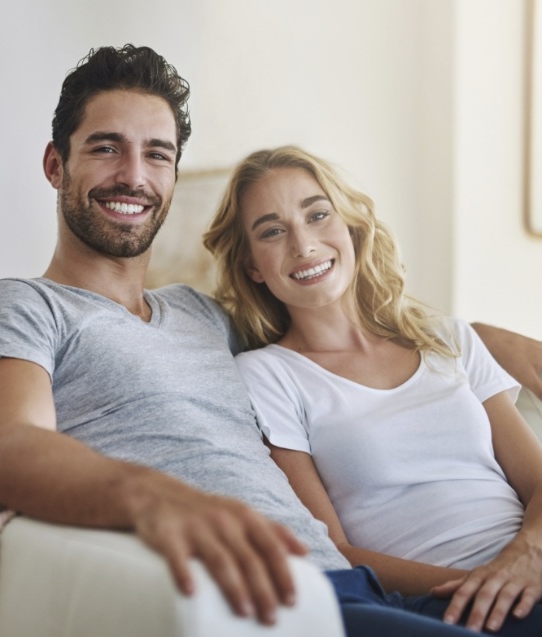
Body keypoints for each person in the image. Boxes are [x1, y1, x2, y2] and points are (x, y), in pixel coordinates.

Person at [0, 44, 541, 636]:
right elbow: (9, 450)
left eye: (157, 155)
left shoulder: (202, 316)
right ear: (55, 164)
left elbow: (324, 323)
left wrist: (483, 341)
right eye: (106, 148)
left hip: (350, 586)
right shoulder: (23, 305)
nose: (133, 175)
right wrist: (154, 498)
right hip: (258, 592)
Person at [202, 144, 542, 634]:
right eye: (272, 231)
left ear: (351, 228)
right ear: (253, 266)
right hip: (442, 602)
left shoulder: (448, 337)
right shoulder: (267, 375)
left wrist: (524, 561)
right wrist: (481, 585)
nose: (303, 244)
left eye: (317, 214)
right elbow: (334, 549)